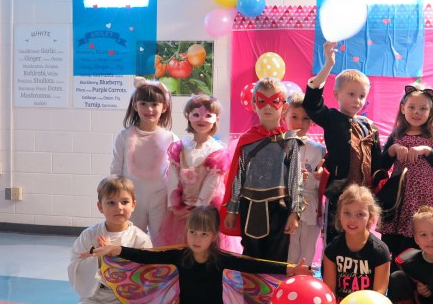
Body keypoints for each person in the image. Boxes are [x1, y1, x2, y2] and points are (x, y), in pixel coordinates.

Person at [86, 205, 313, 304]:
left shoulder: (220, 259)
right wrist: (116, 249)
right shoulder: (179, 256)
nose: (197, 238)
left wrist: (291, 269)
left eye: (204, 234)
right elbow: (145, 256)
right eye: (192, 232)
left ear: (214, 236)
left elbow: (253, 265)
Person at [57, 175, 152, 304]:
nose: (119, 208)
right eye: (111, 203)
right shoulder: (89, 235)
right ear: (100, 206)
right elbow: (75, 266)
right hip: (96, 299)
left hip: (126, 302)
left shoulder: (141, 239)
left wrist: (114, 256)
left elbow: (147, 274)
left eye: (125, 202)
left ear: (133, 205)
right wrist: (98, 258)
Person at [302, 41, 384, 244]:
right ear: (336, 94)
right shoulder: (332, 118)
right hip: (339, 193)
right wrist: (328, 65)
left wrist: (394, 150)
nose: (357, 100)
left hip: (364, 196)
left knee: (360, 240)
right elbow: (311, 103)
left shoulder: (370, 127)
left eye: (362, 96)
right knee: (335, 239)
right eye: (351, 94)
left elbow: (378, 163)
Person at [221, 77, 304, 262]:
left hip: (279, 208)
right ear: (254, 104)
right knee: (250, 259)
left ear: (284, 106)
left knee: (276, 260)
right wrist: (232, 210)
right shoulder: (246, 140)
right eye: (261, 100)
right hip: (250, 207)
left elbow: (295, 178)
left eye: (274, 101)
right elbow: (238, 177)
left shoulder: (290, 141)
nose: (268, 107)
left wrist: (295, 212)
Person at [309, 184, 391, 304]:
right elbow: (330, 291)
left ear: (370, 218)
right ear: (339, 214)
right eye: (347, 213)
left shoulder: (380, 251)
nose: (352, 220)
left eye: (360, 214)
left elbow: (379, 293)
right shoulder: (332, 249)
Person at [379, 82, 433, 259]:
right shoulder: (396, 136)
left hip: (423, 199)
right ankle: (393, 274)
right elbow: (380, 166)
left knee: (421, 242)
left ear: (431, 111)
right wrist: (392, 150)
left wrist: (427, 151)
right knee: (393, 245)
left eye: (423, 108)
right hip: (397, 199)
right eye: (411, 107)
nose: (416, 112)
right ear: (403, 108)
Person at [111, 77, 178, 244]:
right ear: (135, 105)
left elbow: (176, 174)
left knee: (161, 240)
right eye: (143, 104)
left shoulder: (170, 138)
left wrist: (174, 202)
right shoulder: (124, 136)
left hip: (160, 199)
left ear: (164, 107)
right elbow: (116, 170)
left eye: (154, 104)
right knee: (131, 239)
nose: (149, 109)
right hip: (131, 198)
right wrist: (116, 198)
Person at [157, 94, 229, 246]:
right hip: (181, 210)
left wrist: (197, 210)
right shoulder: (180, 147)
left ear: (216, 120)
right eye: (196, 115)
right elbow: (173, 177)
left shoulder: (217, 150)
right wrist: (174, 206)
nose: (201, 119)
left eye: (208, 115)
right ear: (188, 117)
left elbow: (212, 184)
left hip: (206, 211)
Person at [285, 92, 326, 265]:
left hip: (311, 204)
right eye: (294, 117)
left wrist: (319, 176)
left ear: (312, 121)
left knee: (307, 251)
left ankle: (303, 277)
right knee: (289, 250)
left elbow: (321, 180)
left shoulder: (319, 149)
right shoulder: (279, 144)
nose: (300, 123)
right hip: (286, 204)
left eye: (305, 118)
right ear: (285, 115)